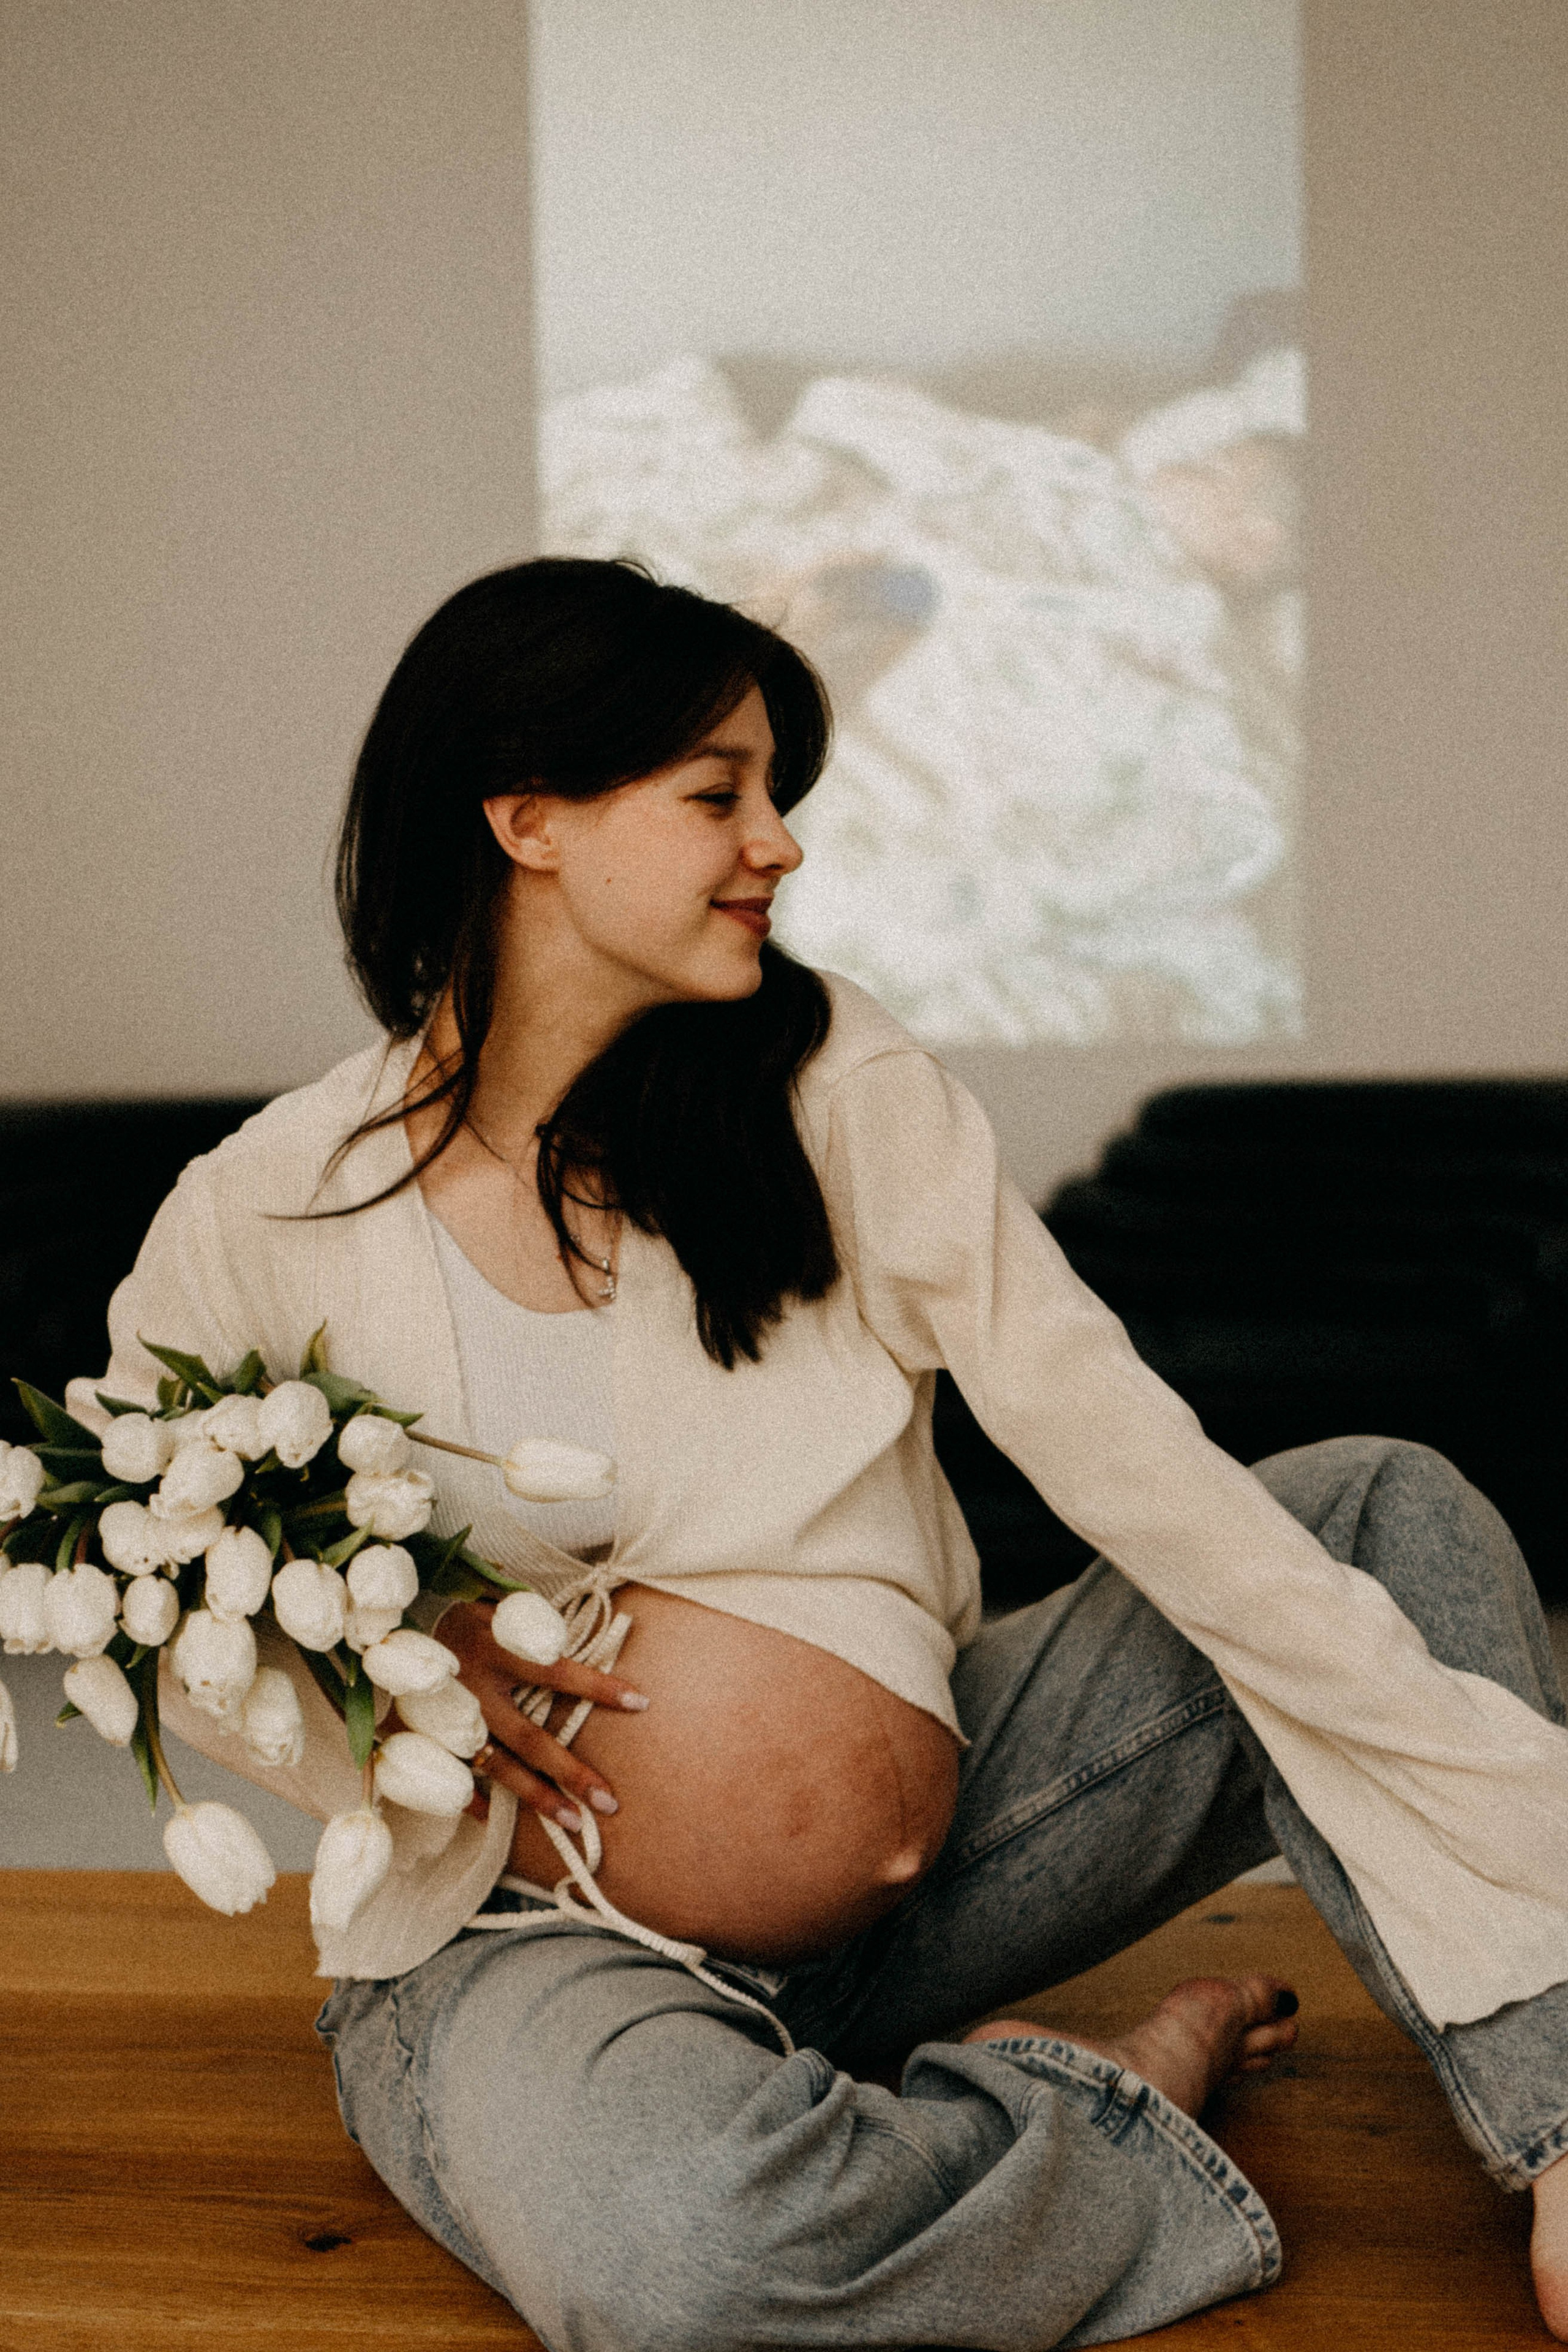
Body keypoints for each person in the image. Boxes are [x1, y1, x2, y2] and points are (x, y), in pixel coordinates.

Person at [72, 559, 1568, 2350]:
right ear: (526, 816)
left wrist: (1535, 1842)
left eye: (778, 793)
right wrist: (396, 1689)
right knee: (687, 2262)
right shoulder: (265, 1208)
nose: (776, 843)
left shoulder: (833, 1085)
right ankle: (1095, 2106)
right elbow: (147, 1600)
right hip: (531, 1951)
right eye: (719, 795)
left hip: (954, 1871)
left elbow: (1122, 1451)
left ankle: (1564, 2119)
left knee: (1384, 1509)